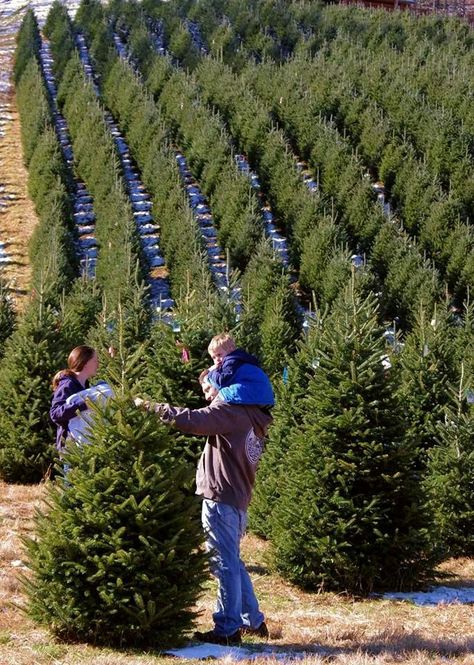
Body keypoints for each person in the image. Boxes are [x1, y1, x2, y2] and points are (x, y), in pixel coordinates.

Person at [135, 376, 272, 645]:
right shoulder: (253, 415)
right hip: (237, 497)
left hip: (221, 496)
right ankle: (252, 620)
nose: (208, 396)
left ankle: (227, 629)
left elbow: (192, 420)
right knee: (233, 561)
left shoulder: (229, 411)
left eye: (209, 389)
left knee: (223, 563)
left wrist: (151, 407)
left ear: (224, 385)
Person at [201, 333, 274, 407]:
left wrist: (211, 373)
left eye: (219, 355)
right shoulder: (240, 359)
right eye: (213, 357)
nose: (217, 359)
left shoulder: (231, 361)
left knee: (221, 395)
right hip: (263, 395)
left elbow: (222, 381)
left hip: (255, 394)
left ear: (231, 350)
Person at [50, 345, 99, 452]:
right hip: (71, 448)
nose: (98, 364)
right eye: (95, 360)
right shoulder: (68, 384)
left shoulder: (85, 386)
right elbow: (55, 413)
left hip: (85, 444)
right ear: (85, 362)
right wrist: (83, 405)